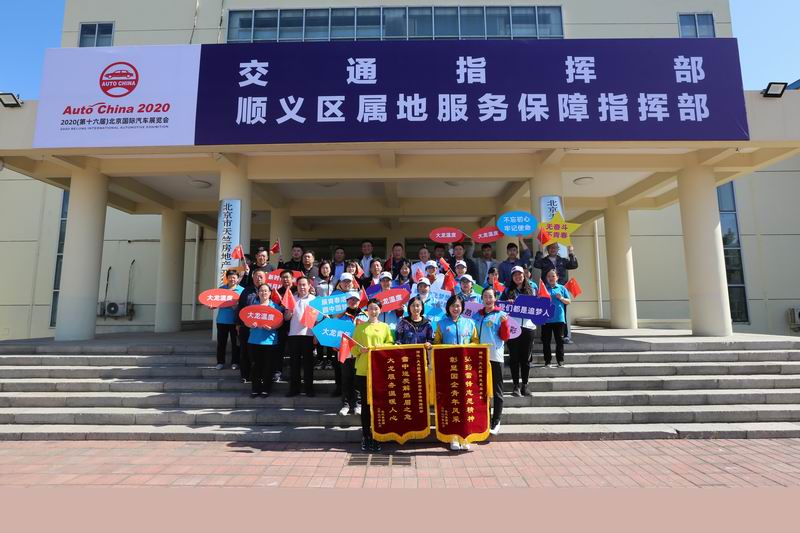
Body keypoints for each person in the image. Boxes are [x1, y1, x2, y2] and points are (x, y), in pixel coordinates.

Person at [433, 295, 479, 451]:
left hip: (465, 370)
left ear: (462, 307)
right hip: (449, 369)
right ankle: (453, 436)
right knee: (451, 401)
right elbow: (436, 344)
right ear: (448, 307)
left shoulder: (470, 323)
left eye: (458, 305)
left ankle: (465, 436)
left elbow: (475, 342)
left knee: (465, 402)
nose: (455, 308)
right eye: (453, 305)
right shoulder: (441, 324)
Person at [351, 298, 395, 452]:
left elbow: (390, 344)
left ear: (380, 310)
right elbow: (353, 349)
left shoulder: (385, 327)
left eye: (376, 308)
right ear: (367, 310)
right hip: (363, 370)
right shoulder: (360, 327)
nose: (373, 311)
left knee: (379, 404)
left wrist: (381, 346)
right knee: (365, 404)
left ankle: (378, 435)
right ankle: (366, 435)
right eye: (370, 308)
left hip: (380, 371)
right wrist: (360, 350)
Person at [475, 288, 511, 436]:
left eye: (490, 297)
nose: (488, 299)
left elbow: (505, 337)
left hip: (495, 357)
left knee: (497, 390)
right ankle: (484, 420)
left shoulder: (501, 315)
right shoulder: (477, 315)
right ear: (482, 299)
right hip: (479, 356)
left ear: (495, 298)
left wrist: (505, 324)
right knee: (481, 390)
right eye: (485, 297)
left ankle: (496, 421)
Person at [247, 284, 289, 398]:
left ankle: (266, 389)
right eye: (261, 291)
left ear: (270, 293)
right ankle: (255, 389)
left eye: (266, 291)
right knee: (255, 366)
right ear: (258, 293)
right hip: (254, 340)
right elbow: (246, 321)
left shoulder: (275, 307)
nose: (263, 293)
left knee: (268, 366)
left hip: (270, 341)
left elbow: (280, 322)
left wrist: (272, 327)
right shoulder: (253, 306)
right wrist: (250, 324)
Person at [533, 243, 579, 343]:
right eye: (550, 248)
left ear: (558, 249)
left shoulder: (562, 260)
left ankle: (564, 336)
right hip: (546, 290)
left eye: (555, 248)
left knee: (562, 313)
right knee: (545, 313)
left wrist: (571, 252)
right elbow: (536, 264)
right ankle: (544, 337)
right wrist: (540, 251)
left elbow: (574, 265)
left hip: (560, 289)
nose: (553, 249)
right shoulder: (544, 261)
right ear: (547, 249)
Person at [501, 266, 535, 396]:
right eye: (515, 274)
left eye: (519, 274)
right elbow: (500, 306)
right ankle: (516, 385)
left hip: (528, 327)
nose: (518, 276)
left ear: (524, 275)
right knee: (514, 357)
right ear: (512, 277)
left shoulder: (531, 289)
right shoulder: (507, 290)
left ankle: (525, 385)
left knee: (526, 358)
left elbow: (537, 307)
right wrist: (507, 303)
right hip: (513, 327)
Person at [337, 291, 368, 416]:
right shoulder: (340, 316)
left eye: (355, 299)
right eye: (350, 299)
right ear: (346, 301)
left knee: (358, 379)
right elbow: (335, 333)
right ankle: (345, 405)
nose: (353, 301)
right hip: (345, 352)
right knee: (346, 379)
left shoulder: (365, 315)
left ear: (359, 301)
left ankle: (358, 404)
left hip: (360, 352)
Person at [285, 276, 317, 397]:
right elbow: (286, 318)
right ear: (296, 286)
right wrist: (289, 313)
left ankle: (309, 389)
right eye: (299, 285)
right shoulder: (292, 299)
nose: (302, 287)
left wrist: (316, 335)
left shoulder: (314, 300)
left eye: (304, 285)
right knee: (294, 364)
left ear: (309, 286)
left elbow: (318, 320)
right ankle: (294, 389)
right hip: (294, 335)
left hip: (309, 335)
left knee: (308, 364)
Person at [235, 269, 267, 382]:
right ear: (252, 278)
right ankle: (245, 375)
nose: (259, 279)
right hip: (246, 327)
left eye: (261, 276)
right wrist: (238, 324)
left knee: (260, 353)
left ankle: (260, 376)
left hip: (263, 329)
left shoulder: (269, 291)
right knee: (245, 351)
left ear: (265, 278)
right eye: (256, 276)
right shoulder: (246, 291)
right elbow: (240, 308)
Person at [540, 269, 572, 368]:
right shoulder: (543, 288)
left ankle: (560, 360)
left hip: (559, 319)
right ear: (546, 278)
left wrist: (561, 298)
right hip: (546, 319)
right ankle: (547, 361)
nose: (551, 278)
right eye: (549, 276)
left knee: (559, 341)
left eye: (553, 276)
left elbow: (569, 301)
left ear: (557, 277)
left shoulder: (562, 288)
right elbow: (538, 302)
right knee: (546, 341)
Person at [215, 270, 244, 371]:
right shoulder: (221, 289)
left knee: (235, 343)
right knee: (221, 343)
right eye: (230, 277)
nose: (232, 279)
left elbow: (244, 306)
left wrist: (236, 307)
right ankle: (220, 362)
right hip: (222, 320)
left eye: (234, 277)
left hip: (235, 322)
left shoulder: (242, 290)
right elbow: (215, 302)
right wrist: (212, 306)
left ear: (238, 279)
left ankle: (235, 362)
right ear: (227, 278)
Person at [313, 260, 336, 371]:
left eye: (327, 268)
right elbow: (313, 295)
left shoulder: (335, 280)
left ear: (330, 269)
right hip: (320, 311)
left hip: (332, 312)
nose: (325, 270)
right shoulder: (316, 281)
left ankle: (329, 360)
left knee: (330, 335)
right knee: (320, 335)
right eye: (323, 268)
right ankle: (320, 359)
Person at [274, 270, 296, 382]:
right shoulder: (278, 292)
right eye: (283, 277)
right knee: (279, 350)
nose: (285, 279)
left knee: (294, 351)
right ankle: (278, 372)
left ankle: (294, 373)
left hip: (296, 326)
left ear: (292, 278)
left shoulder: (298, 290)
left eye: (287, 277)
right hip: (282, 325)